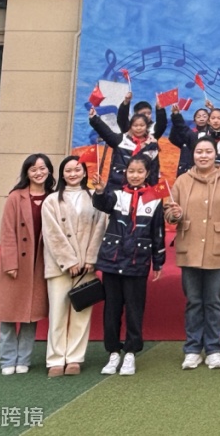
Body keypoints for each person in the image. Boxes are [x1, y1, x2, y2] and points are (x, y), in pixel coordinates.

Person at [165, 136, 220, 371]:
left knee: (214, 301)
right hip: (189, 247)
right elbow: (169, 214)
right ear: (193, 154)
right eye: (199, 152)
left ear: (215, 154)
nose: (203, 156)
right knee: (194, 301)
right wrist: (174, 214)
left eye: (208, 152)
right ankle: (192, 349)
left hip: (218, 248)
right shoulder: (182, 181)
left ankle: (213, 349)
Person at [91, 154, 165, 376]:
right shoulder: (116, 194)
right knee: (111, 310)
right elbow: (102, 205)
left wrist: (158, 261)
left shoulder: (155, 198)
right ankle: (113, 352)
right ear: (125, 172)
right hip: (112, 261)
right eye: (131, 171)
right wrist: (100, 191)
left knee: (134, 309)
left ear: (147, 173)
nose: (135, 175)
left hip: (137, 262)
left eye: (140, 172)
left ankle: (131, 353)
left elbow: (158, 232)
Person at [41, 155, 106, 377]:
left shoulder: (95, 198)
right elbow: (52, 234)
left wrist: (90, 259)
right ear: (61, 174)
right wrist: (69, 261)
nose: (73, 174)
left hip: (86, 266)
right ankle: (56, 358)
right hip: (59, 266)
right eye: (68, 170)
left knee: (81, 312)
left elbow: (100, 228)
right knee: (58, 313)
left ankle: (75, 358)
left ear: (85, 172)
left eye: (77, 170)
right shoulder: (51, 200)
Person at [0, 154, 54, 375]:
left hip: (40, 263)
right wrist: (10, 262)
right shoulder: (15, 197)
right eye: (33, 169)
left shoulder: (53, 197)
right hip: (17, 263)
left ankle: (24, 359)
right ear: (26, 173)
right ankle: (7, 359)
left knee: (31, 314)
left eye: (42, 168)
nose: (39, 172)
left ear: (49, 170)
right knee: (8, 313)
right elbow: (7, 232)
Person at [89, 105, 161, 187]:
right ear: (130, 127)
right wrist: (94, 118)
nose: (138, 128)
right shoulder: (121, 140)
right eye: (135, 125)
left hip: (141, 188)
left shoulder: (152, 145)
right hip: (117, 185)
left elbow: (154, 171)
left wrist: (152, 189)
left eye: (142, 125)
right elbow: (106, 132)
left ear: (146, 127)